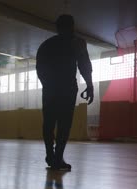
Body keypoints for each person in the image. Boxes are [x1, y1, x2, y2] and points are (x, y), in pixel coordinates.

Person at [36, 14, 94, 170]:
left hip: (53, 90)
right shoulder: (77, 43)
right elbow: (84, 65)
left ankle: (52, 156)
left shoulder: (47, 45)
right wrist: (89, 85)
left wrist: (48, 85)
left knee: (50, 123)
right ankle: (56, 156)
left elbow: (40, 69)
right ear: (72, 27)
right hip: (66, 89)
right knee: (63, 124)